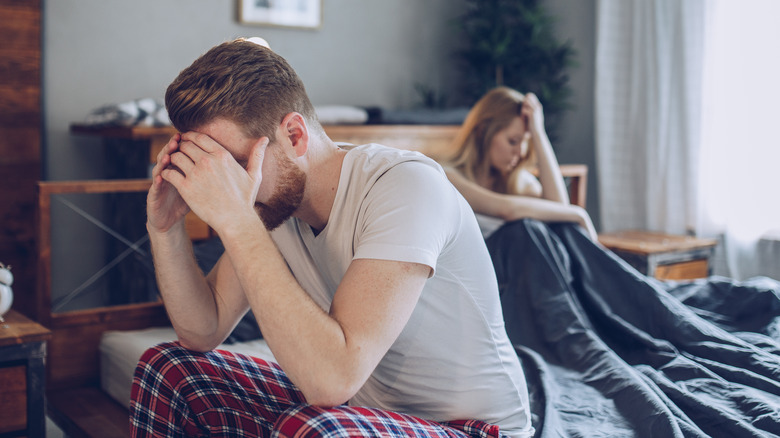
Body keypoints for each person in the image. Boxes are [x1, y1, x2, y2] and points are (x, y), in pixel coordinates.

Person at [130, 38, 534, 437]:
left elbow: (331, 381)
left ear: (294, 134)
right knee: (168, 369)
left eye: (236, 164)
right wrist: (164, 229)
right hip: (365, 412)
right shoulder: (273, 205)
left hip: (475, 429)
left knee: (314, 428)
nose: (231, 187)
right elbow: (204, 328)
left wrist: (238, 223)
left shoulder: (404, 186)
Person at [441, 86, 597, 240]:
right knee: (524, 229)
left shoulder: (519, 181)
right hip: (490, 262)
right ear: (483, 132)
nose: (521, 152)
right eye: (513, 141)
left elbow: (560, 210)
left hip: (527, 264)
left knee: (565, 229)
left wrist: (539, 133)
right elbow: (505, 209)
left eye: (525, 142)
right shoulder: (448, 177)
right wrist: (579, 214)